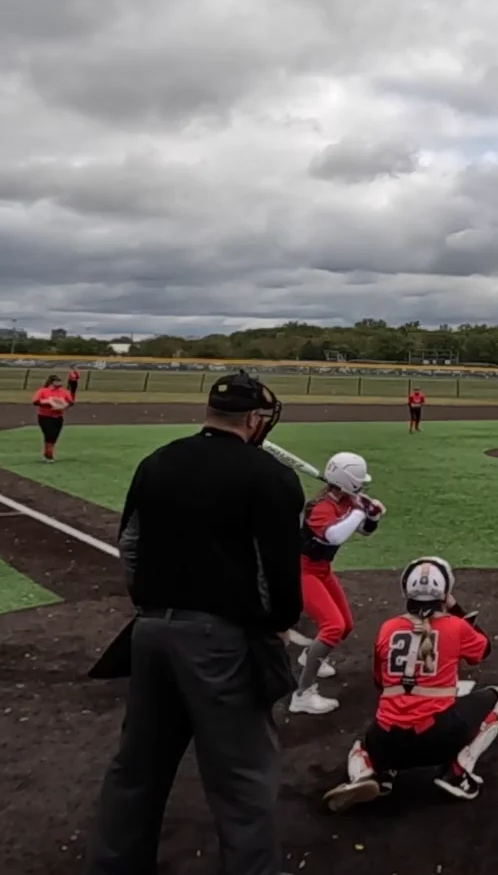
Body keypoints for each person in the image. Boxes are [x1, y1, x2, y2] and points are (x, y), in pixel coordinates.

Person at [84, 371, 307, 875]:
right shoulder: (268, 476)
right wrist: (277, 623)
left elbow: (131, 546)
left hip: (151, 633)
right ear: (254, 419)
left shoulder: (157, 461)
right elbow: (278, 569)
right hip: (221, 643)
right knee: (243, 779)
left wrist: (152, 602)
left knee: (136, 769)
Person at [320, 556, 498, 811]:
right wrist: (455, 608)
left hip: (386, 741)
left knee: (363, 745)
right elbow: (483, 650)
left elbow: (380, 681)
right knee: (497, 698)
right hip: (438, 738)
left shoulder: (387, 628)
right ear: (445, 592)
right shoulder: (456, 627)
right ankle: (457, 771)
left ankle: (370, 774)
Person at [290, 452, 386, 715]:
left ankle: (310, 655)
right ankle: (302, 694)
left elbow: (364, 531)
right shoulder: (320, 507)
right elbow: (333, 535)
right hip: (302, 571)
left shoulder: (344, 501)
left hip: (322, 570)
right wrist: (358, 510)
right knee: (333, 626)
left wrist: (372, 517)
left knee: (345, 624)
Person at [31, 374, 71, 462]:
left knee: (54, 436)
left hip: (58, 417)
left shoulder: (63, 392)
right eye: (57, 381)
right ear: (51, 382)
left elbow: (70, 402)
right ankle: (49, 455)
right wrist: (48, 402)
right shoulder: (43, 391)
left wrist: (63, 405)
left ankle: (47, 454)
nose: (59, 383)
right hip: (45, 417)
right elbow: (35, 401)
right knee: (49, 434)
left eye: (59, 381)